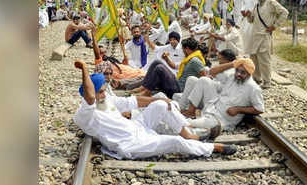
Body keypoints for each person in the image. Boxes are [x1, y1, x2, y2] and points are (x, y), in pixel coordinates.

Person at [73, 60, 237, 160]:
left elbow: (132, 100)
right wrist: (84, 69)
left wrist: (158, 99)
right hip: (132, 144)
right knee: (175, 142)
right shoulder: (85, 114)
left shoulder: (105, 100)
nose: (104, 93)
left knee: (160, 105)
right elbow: (89, 94)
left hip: (137, 127)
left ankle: (190, 134)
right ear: (91, 95)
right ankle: (213, 148)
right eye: (100, 91)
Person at [181, 58, 264, 135]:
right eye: (237, 70)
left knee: (188, 124)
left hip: (222, 119)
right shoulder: (232, 77)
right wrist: (232, 64)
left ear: (249, 74)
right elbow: (212, 72)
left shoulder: (254, 88)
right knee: (204, 80)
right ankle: (190, 112)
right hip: (212, 107)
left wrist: (238, 109)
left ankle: (183, 122)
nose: (238, 74)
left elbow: (259, 109)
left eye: (243, 72)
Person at [244, 0, 288, 89]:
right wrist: (248, 16)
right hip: (255, 36)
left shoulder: (272, 3)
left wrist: (275, 25)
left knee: (264, 60)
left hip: (264, 36)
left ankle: (267, 82)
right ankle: (256, 78)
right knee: (254, 58)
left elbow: (285, 13)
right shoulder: (257, 5)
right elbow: (252, 21)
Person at [131, 38, 206, 98]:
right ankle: (143, 87)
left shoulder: (195, 60)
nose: (182, 51)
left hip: (179, 88)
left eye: (183, 49)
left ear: (187, 49)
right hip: (177, 82)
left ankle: (147, 92)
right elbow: (174, 65)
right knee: (156, 62)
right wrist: (166, 58)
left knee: (159, 68)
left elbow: (204, 77)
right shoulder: (189, 58)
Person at [173, 49, 237, 111]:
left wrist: (210, 81)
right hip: (208, 93)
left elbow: (221, 87)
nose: (219, 61)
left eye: (220, 59)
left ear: (227, 60)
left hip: (214, 101)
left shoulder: (231, 72)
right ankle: (181, 107)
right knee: (191, 79)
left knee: (203, 80)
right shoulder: (222, 69)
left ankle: (187, 109)